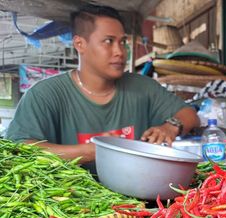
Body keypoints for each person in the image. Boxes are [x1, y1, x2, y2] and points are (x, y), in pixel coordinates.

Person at [6, 4, 199, 169]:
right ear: (80, 44)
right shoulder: (45, 95)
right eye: (108, 42)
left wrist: (171, 126)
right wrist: (91, 151)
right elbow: (21, 149)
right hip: (72, 201)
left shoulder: (142, 87)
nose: (120, 52)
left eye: (122, 42)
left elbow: (190, 115)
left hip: (136, 194)